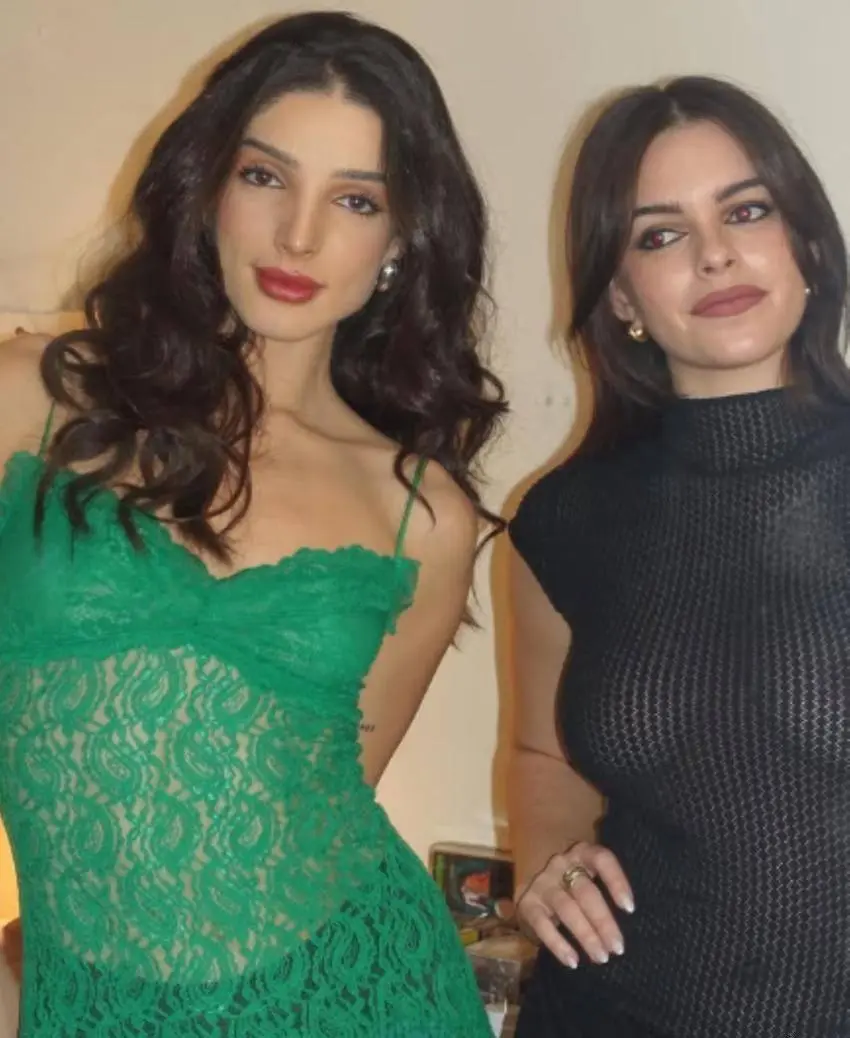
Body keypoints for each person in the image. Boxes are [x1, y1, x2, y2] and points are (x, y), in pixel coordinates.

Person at [0, 11, 505, 1036]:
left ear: (400, 241)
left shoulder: (420, 515)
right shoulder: (33, 398)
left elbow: (319, 801)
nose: (298, 237)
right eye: (266, 176)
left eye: (355, 199)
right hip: (96, 1006)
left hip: (358, 995)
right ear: (207, 187)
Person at [507, 75, 850, 1038]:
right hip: (606, 1012)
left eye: (746, 210)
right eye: (660, 235)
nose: (714, 254)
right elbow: (538, 750)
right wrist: (545, 860)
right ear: (621, 294)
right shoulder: (564, 518)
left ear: (807, 244)